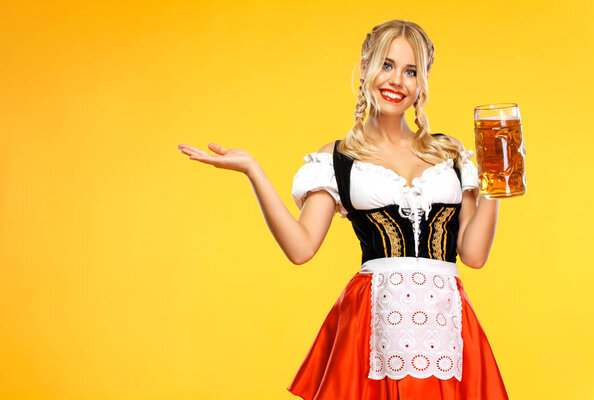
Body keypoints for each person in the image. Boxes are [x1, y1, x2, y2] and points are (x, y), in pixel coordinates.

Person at [177, 19, 509, 400]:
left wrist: (498, 182)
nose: (397, 80)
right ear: (365, 66)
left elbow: (474, 255)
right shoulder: (337, 159)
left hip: (445, 320)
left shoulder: (450, 153)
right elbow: (301, 249)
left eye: (411, 70)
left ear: (423, 83)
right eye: (386, 65)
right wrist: (253, 170)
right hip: (373, 321)